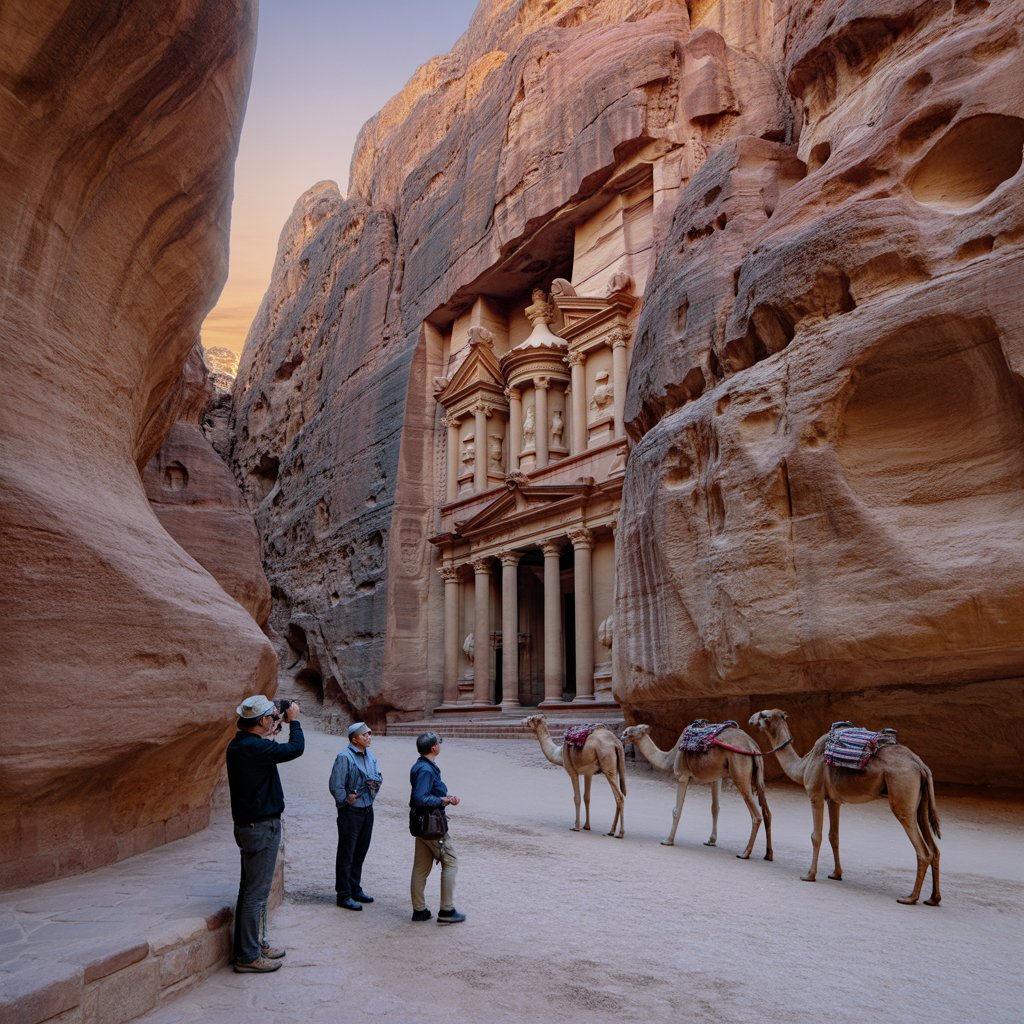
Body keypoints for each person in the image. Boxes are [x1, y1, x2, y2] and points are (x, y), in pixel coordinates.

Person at [225, 695, 304, 973]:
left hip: (252, 826)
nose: (274, 720)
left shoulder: (241, 745)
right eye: (270, 717)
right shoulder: (253, 749)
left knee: (250, 891)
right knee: (256, 894)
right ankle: (248, 956)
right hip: (261, 827)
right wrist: (294, 722)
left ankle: (253, 945)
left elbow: (265, 746)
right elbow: (296, 749)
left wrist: (276, 721)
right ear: (261, 721)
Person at [409, 731, 465, 925]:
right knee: (451, 862)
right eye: (438, 744)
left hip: (422, 825)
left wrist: (446, 797)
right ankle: (446, 910)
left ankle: (419, 910)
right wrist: (443, 800)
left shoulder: (422, 766)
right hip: (431, 824)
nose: (440, 746)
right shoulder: (425, 769)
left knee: (421, 867)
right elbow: (420, 797)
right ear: (434, 748)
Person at [329, 721, 383, 911]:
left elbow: (378, 775)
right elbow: (336, 784)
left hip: (367, 808)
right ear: (354, 739)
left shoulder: (371, 756)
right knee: (347, 853)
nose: (369, 737)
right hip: (350, 811)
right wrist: (345, 800)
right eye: (365, 735)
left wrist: (375, 784)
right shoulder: (344, 757)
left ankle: (354, 888)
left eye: (369, 733)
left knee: (360, 851)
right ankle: (343, 894)